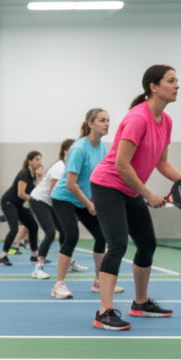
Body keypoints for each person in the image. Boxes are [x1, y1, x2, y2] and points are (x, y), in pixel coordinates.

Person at [89, 66, 181, 330]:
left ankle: (140, 303)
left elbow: (162, 163)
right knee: (117, 244)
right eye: (171, 81)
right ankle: (104, 312)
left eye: (177, 81)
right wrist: (149, 195)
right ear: (153, 86)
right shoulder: (138, 118)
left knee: (147, 244)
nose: (177, 86)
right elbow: (121, 164)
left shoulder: (166, 121)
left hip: (130, 189)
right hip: (108, 185)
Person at [49, 109, 118, 300]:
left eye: (108, 120)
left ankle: (99, 281)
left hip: (84, 198)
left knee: (101, 236)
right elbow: (71, 184)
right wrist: (89, 204)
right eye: (102, 120)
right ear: (90, 124)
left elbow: (100, 177)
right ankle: (58, 285)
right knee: (71, 235)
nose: (107, 124)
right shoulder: (79, 148)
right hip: (64, 197)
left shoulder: (102, 147)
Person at [29, 139, 73, 277]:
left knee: (66, 232)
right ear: (65, 151)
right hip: (39, 200)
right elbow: (53, 193)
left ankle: (68, 263)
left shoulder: (70, 166)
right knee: (50, 232)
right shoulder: (60, 167)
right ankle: (38, 268)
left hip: (49, 202)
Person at [0, 151, 44, 272]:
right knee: (14, 228)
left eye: (40, 159)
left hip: (18, 204)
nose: (39, 162)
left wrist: (39, 179)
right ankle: (3, 256)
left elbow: (36, 191)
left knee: (33, 225)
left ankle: (34, 255)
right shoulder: (24, 173)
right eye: (37, 160)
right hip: (8, 202)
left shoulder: (34, 176)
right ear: (30, 162)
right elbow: (21, 193)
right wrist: (33, 200)